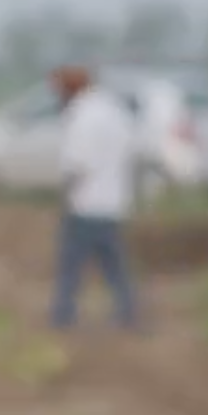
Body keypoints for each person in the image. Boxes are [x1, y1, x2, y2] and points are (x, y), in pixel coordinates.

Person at [51, 62, 144, 331]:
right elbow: (132, 151)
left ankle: (62, 316)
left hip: (85, 203)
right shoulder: (114, 111)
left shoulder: (81, 116)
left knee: (70, 265)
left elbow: (76, 163)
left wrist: (64, 196)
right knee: (114, 265)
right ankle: (128, 313)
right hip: (114, 202)